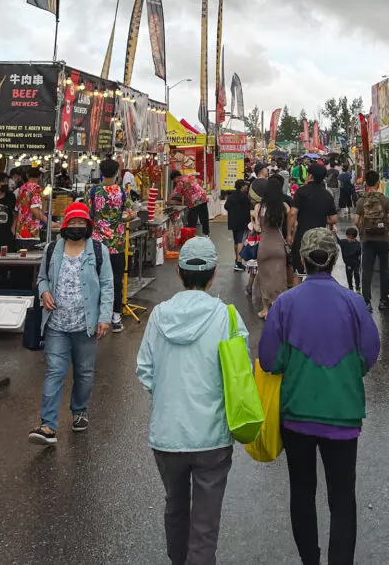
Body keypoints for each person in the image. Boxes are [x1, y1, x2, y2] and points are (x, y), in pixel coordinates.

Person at [259, 228, 380, 565]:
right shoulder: (354, 302)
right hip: (343, 415)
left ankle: (309, 560)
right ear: (336, 258)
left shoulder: (284, 303)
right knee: (342, 498)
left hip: (296, 414)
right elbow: (370, 352)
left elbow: (269, 360)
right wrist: (346, 372)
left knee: (302, 492)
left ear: (301, 260)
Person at [136, 237, 250, 565]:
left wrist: (167, 397)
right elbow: (240, 374)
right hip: (212, 437)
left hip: (167, 435)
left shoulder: (159, 316)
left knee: (175, 506)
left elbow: (145, 370)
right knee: (205, 522)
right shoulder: (227, 318)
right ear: (213, 275)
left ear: (180, 273)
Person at [29, 203, 114, 446]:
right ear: (65, 225)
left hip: (85, 324)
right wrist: (44, 293)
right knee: (55, 371)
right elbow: (42, 278)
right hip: (56, 323)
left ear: (88, 226)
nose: (77, 227)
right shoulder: (52, 249)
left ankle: (79, 411)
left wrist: (104, 317)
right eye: (73, 223)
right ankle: (47, 425)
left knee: (84, 372)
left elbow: (108, 285)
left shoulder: (99, 251)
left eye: (81, 223)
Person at [88, 157, 136, 333]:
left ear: (101, 172)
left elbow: (87, 214)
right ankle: (115, 318)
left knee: (95, 280)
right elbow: (132, 213)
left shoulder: (93, 191)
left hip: (96, 244)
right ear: (117, 173)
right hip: (117, 244)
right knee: (115, 280)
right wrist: (119, 220)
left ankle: (96, 316)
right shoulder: (122, 192)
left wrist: (100, 223)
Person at [288, 162, 338, 279]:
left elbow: (292, 213)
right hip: (320, 237)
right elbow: (333, 218)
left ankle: (298, 297)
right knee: (319, 272)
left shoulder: (301, 192)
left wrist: (289, 235)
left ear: (310, 176)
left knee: (299, 273)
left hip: (302, 236)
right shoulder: (327, 194)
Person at [355, 170, 389, 312]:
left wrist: (363, 232)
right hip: (382, 239)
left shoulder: (361, 200)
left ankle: (367, 302)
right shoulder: (384, 199)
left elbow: (356, 221)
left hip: (367, 240)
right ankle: (384, 300)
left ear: (365, 183)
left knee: (366, 271)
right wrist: (387, 232)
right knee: (384, 270)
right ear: (378, 182)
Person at [254, 179, 289, 319]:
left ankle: (265, 310)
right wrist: (290, 235)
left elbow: (257, 228)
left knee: (264, 277)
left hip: (264, 246)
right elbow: (293, 221)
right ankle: (280, 309)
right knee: (280, 278)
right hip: (279, 246)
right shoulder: (283, 206)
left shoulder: (259, 207)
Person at [170, 169, 211, 236]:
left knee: (192, 218)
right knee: (204, 217)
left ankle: (191, 235)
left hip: (195, 200)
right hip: (203, 197)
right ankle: (206, 234)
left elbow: (175, 192)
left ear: (176, 177)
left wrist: (168, 199)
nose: (174, 182)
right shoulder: (188, 176)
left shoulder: (180, 181)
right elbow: (201, 182)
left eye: (174, 180)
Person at [224, 178, 252, 271]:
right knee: (241, 241)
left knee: (236, 241)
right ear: (242, 187)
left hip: (233, 222)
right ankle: (239, 263)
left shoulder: (231, 196)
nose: (246, 187)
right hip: (242, 222)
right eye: (245, 185)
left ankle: (236, 259)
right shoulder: (244, 197)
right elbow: (250, 206)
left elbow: (226, 206)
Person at [16, 165, 45, 239]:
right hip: (31, 230)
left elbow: (19, 207)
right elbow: (34, 209)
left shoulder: (22, 188)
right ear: (39, 177)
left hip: (20, 231)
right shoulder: (36, 188)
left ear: (28, 175)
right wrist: (49, 222)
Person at [338, 226, 361, 292]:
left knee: (357, 274)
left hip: (356, 263)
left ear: (355, 237)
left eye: (351, 238)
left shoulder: (358, 244)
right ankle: (350, 287)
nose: (349, 239)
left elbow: (360, 253)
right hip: (348, 263)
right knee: (349, 276)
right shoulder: (344, 242)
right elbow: (338, 241)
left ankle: (358, 288)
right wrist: (333, 233)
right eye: (348, 237)